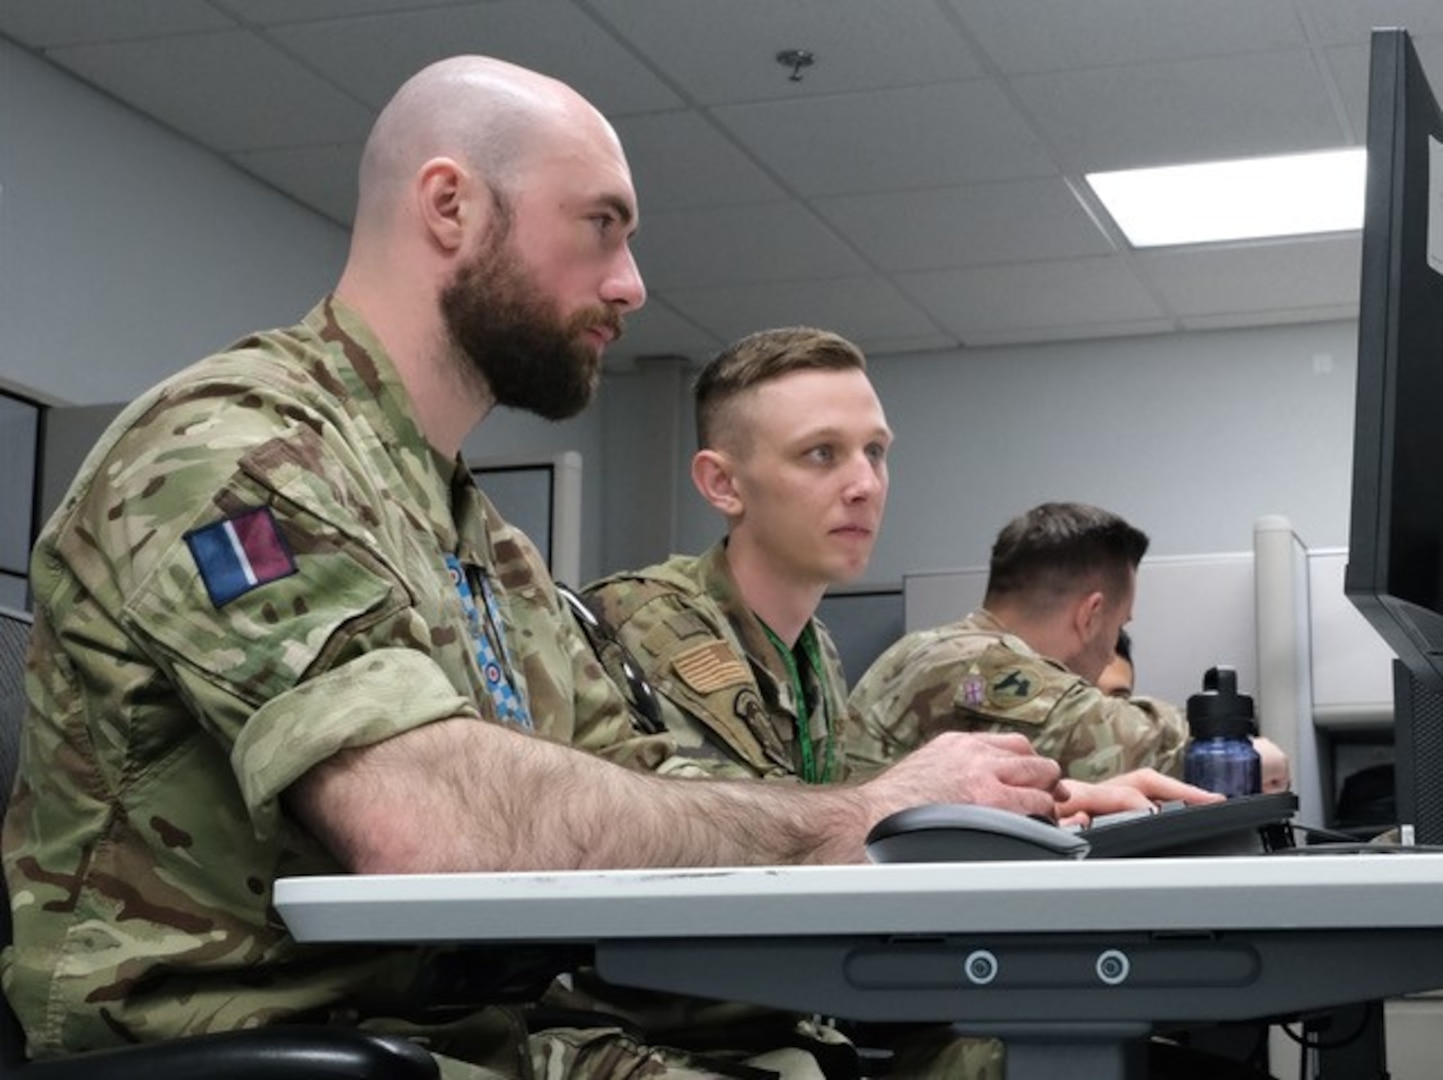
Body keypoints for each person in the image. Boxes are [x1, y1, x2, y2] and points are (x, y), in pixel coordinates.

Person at [1, 56, 1184, 1080]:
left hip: (469, 1024)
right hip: (254, 1040)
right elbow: (426, 827)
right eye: (602, 227)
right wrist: (855, 815)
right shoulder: (231, 454)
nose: (630, 284)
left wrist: (950, 815)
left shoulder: (474, 532)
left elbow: (635, 772)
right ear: (451, 207)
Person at [847, 502, 1288, 790]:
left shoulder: (924, 649)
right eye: (1118, 626)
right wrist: (1243, 747)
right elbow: (1130, 743)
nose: (1113, 644)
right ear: (1090, 616)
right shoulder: (976, 665)